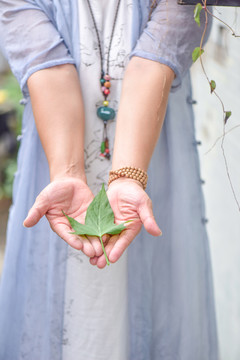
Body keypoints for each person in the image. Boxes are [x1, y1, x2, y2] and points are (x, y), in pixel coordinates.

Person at [0, 0, 218, 359]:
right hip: (57, 145)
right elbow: (42, 60)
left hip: (151, 145)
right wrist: (68, 171)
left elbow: (159, 52)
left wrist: (129, 175)